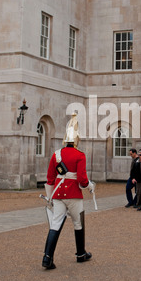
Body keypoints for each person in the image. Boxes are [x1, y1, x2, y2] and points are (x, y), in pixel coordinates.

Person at [42, 113, 95, 270]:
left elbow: (50, 178)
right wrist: (90, 185)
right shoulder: (80, 155)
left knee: (55, 224)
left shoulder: (56, 155)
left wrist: (50, 196)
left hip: (58, 195)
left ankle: (47, 257)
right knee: (78, 223)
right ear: (77, 139)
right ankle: (80, 254)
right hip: (74, 195)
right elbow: (82, 180)